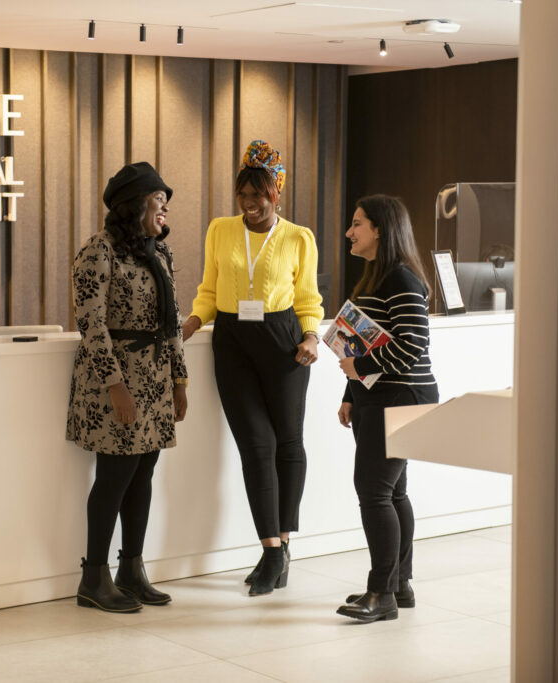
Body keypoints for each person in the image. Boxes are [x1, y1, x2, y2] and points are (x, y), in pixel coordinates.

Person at [182, 140, 323, 596]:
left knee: (288, 443)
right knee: (255, 447)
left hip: (283, 343)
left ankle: (283, 542)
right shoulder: (220, 230)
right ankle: (270, 548)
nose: (249, 203)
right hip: (233, 342)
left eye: (258, 195)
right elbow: (208, 288)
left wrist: (311, 336)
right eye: (243, 194)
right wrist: (191, 321)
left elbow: (308, 300)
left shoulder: (299, 237)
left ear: (276, 194)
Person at [67, 161, 189, 613]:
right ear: (134, 203)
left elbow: (171, 320)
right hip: (112, 382)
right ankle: (93, 578)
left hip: (156, 380)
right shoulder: (98, 251)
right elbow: (91, 323)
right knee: (114, 476)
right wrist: (115, 385)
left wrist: (180, 379)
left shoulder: (158, 252)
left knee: (144, 474)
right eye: (159, 199)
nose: (165, 207)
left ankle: (131, 570)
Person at [334, 194, 439, 623]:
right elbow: (366, 340)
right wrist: (349, 391)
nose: (349, 232)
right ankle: (399, 584)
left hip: (400, 398)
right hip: (377, 398)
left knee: (374, 492)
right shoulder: (377, 278)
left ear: (380, 229)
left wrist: (357, 367)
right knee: (392, 493)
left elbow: (413, 346)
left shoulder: (401, 278)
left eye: (357, 224)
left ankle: (382, 593)